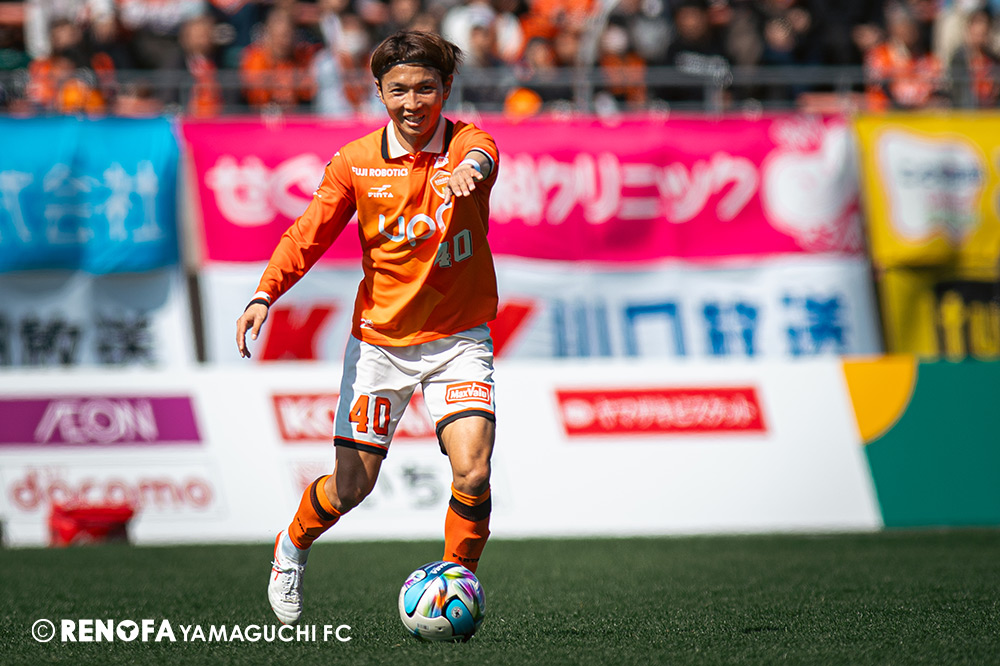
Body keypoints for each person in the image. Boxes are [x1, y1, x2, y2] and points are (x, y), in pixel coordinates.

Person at [235, 30, 501, 626]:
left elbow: (480, 159)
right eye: (399, 90)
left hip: (458, 340)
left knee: (474, 469)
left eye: (426, 88)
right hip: (379, 345)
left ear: (446, 87)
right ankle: (291, 545)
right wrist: (264, 294)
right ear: (379, 92)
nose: (413, 103)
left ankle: (454, 585)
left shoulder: (469, 143)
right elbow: (308, 234)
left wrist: (469, 172)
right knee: (351, 487)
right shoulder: (355, 162)